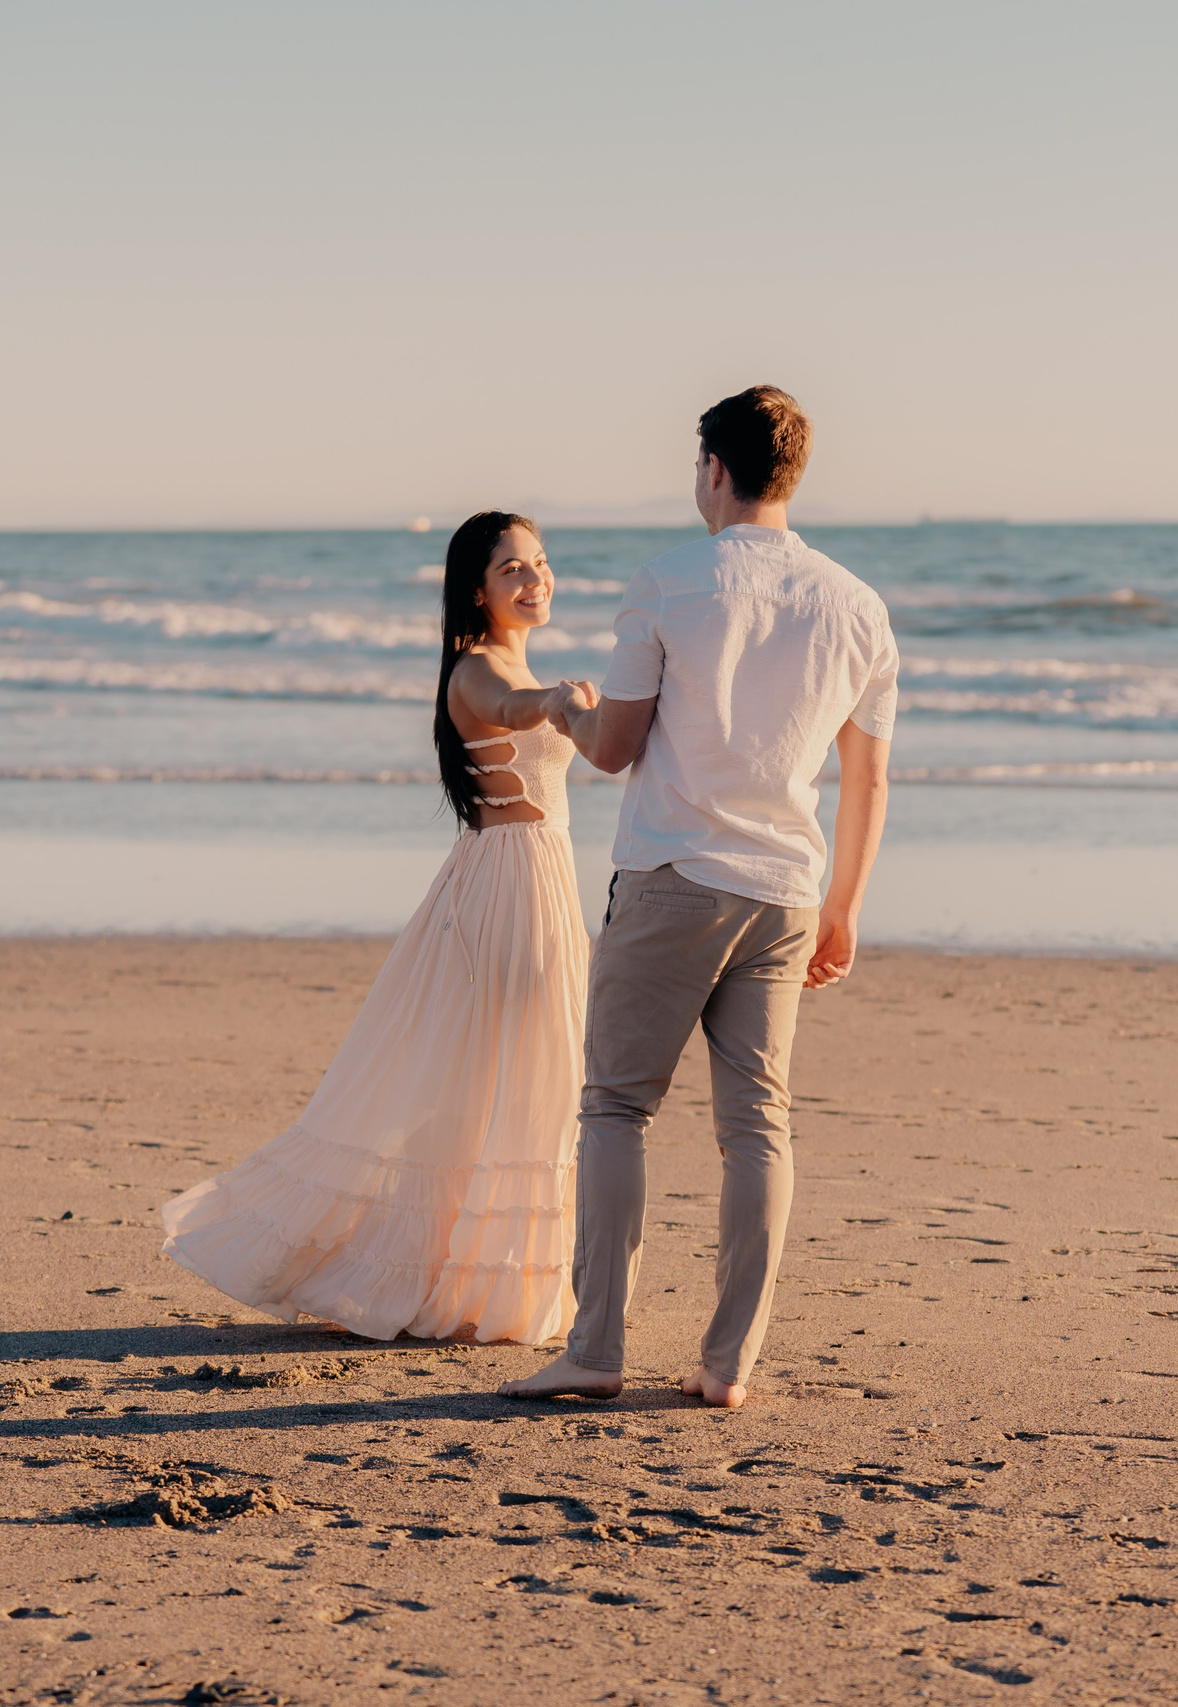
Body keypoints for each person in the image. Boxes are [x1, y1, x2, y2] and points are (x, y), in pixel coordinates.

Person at [503, 385, 897, 1408]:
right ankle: (726, 1366)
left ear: (713, 470)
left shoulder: (671, 583)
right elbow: (868, 778)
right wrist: (844, 908)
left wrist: (567, 714)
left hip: (675, 878)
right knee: (755, 1126)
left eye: (694, 466)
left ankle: (595, 1348)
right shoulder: (856, 604)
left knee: (616, 1107)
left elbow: (618, 749)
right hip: (787, 891)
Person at [158, 511, 597, 1345]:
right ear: (477, 588)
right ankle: (470, 1283)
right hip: (509, 885)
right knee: (510, 1077)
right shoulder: (476, 671)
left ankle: (493, 1281)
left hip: (536, 875)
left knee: (520, 1077)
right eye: (513, 569)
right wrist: (557, 701)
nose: (535, 579)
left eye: (540, 564)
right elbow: (514, 705)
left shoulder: (514, 657)